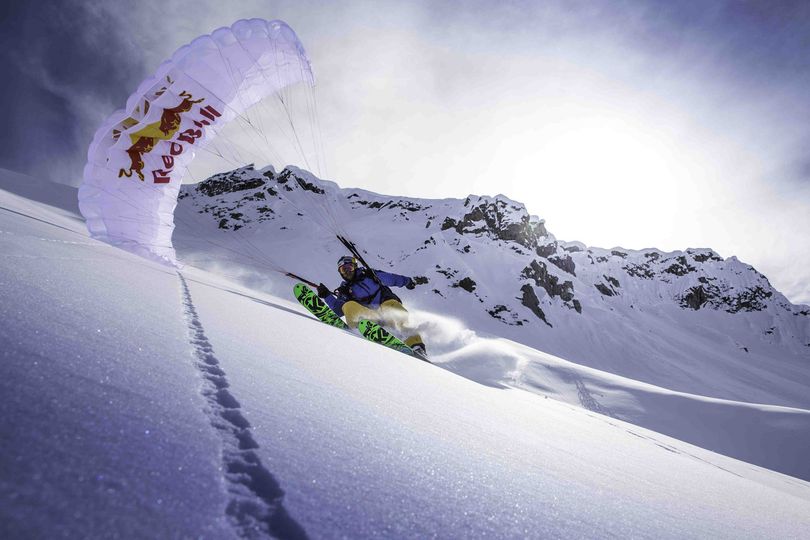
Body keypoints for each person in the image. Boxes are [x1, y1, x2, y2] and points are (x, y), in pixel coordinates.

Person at [317, 255, 427, 359]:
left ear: (355, 267)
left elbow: (391, 278)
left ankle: (415, 346)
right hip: (372, 319)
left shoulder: (370, 275)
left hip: (388, 312)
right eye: (343, 270)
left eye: (349, 268)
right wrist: (327, 296)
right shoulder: (344, 290)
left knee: (391, 307)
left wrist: (408, 281)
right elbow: (339, 311)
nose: (346, 272)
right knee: (349, 306)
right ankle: (361, 332)